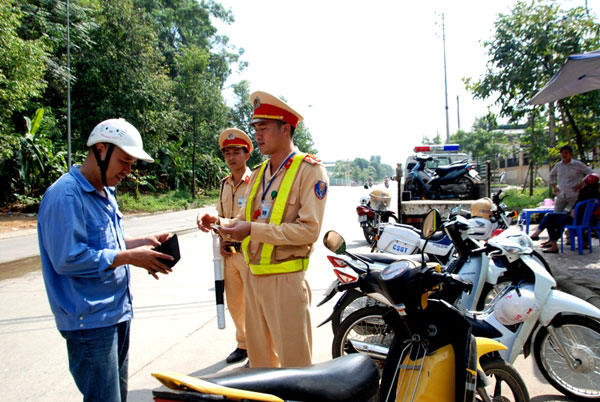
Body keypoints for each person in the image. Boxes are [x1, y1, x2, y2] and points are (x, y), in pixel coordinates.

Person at [38, 118, 174, 402]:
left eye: (132, 164)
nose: (127, 171)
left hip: (116, 313)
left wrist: (143, 243)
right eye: (124, 161)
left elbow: (107, 245)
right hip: (89, 321)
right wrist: (129, 257)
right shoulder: (65, 195)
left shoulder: (105, 192)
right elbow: (68, 259)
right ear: (101, 149)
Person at [197, 91, 329, 368]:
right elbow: (241, 221)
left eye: (264, 128)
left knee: (295, 369)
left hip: (286, 279)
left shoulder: (309, 171)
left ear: (285, 128)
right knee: (260, 367)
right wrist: (217, 222)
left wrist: (252, 230)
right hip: (254, 279)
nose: (257, 135)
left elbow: (308, 231)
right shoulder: (259, 174)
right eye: (255, 128)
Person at [214, 128, 253, 364]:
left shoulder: (257, 181)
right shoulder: (224, 184)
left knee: (255, 304)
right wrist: (220, 239)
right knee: (235, 303)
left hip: (249, 252)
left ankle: (259, 347)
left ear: (247, 154)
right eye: (227, 153)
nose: (231, 157)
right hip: (228, 253)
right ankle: (243, 344)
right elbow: (221, 215)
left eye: (236, 152)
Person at [530, 172, 599, 253]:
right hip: (583, 219)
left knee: (551, 221)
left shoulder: (584, 193)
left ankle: (552, 245)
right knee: (550, 215)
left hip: (576, 220)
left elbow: (574, 212)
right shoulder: (596, 196)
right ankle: (536, 234)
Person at [549, 145, 592, 213]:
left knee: (571, 214)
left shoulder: (577, 164)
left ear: (570, 154)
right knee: (556, 214)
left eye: (566, 153)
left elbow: (591, 174)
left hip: (573, 194)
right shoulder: (558, 165)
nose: (564, 155)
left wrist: (582, 184)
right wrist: (554, 187)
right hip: (561, 194)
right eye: (562, 153)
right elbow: (551, 175)